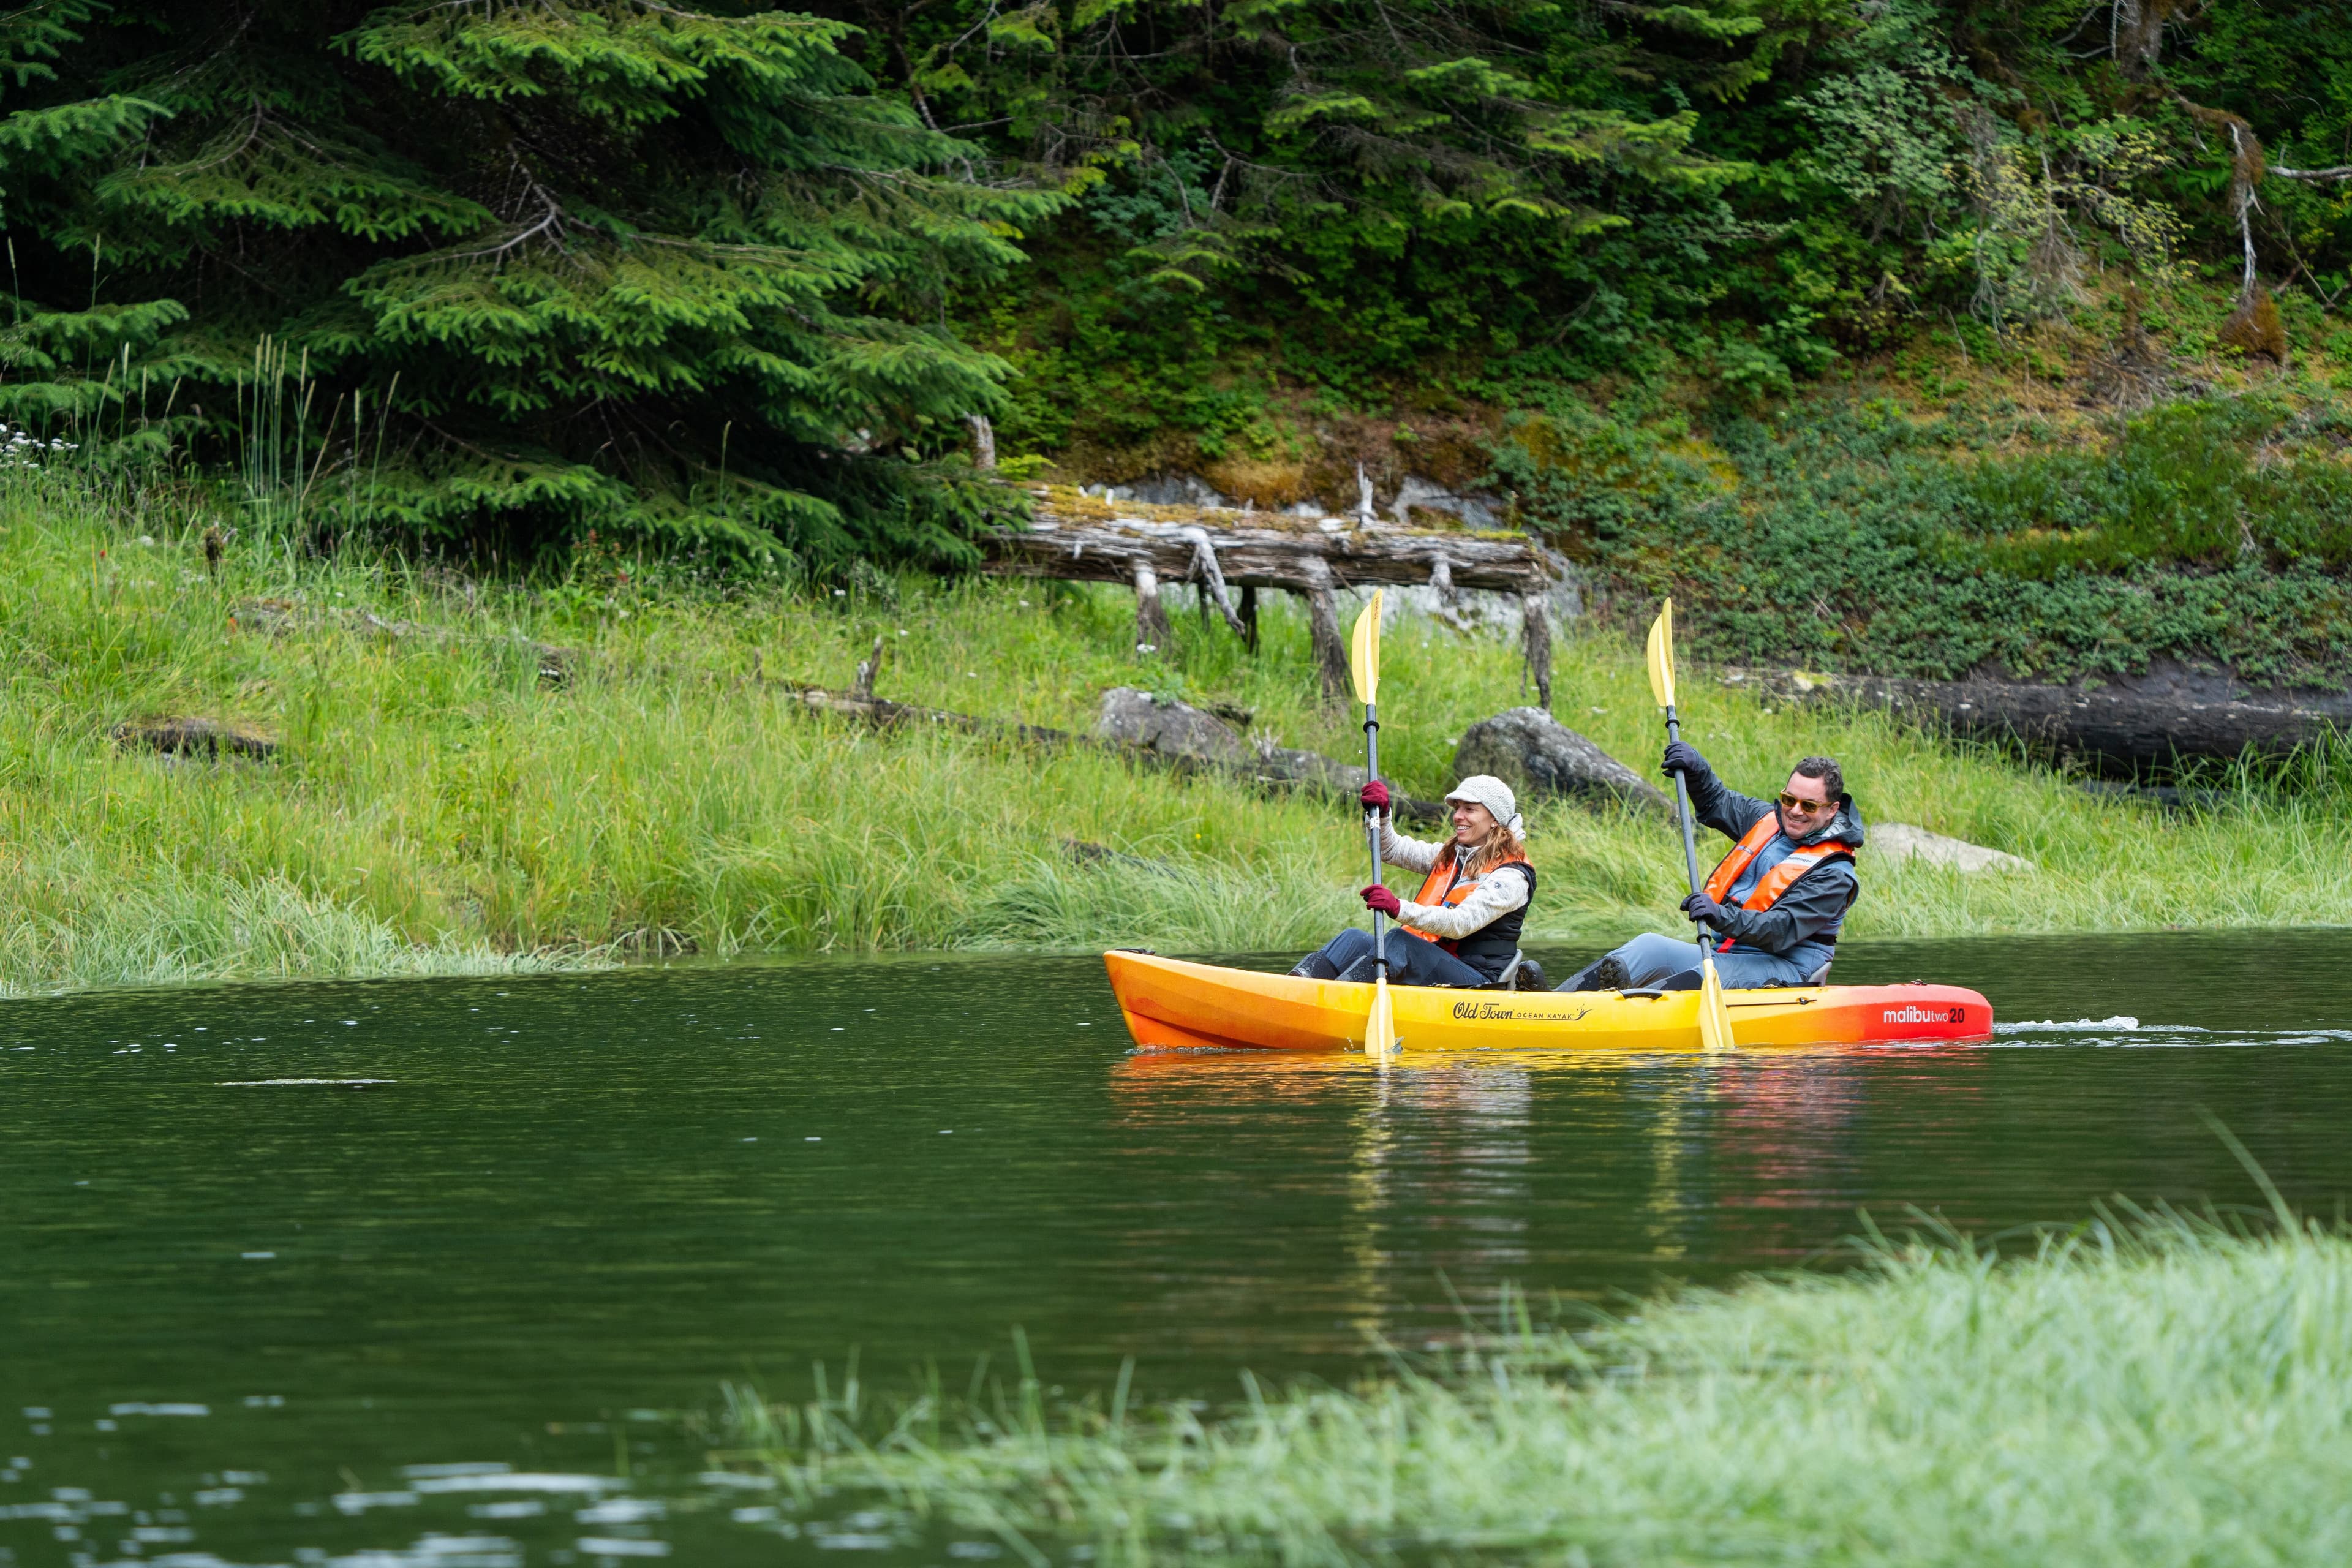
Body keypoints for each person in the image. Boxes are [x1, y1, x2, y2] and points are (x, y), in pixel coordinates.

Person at [1559, 744, 1864, 992]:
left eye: (1808, 805)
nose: (1795, 811)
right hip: (1723, 956)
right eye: (1788, 799)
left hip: (1789, 970)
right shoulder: (1767, 820)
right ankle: (1555, 1003)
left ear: (1832, 809)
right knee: (1648, 946)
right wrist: (1696, 769)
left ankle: (1622, 1011)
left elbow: (1779, 931)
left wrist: (1719, 915)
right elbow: (1719, 802)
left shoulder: (1835, 874)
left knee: (1702, 976)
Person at [1289, 775, 1537, 989]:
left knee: (1399, 941)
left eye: (1469, 809)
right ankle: (1295, 989)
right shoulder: (1451, 856)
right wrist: (1381, 815)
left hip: (1478, 984)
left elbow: (1461, 923)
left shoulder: (1511, 877)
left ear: (1495, 819)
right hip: (1436, 964)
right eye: (1457, 808)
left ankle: (1340, 1000)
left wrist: (1399, 908)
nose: (1458, 816)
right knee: (1353, 939)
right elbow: (1390, 850)